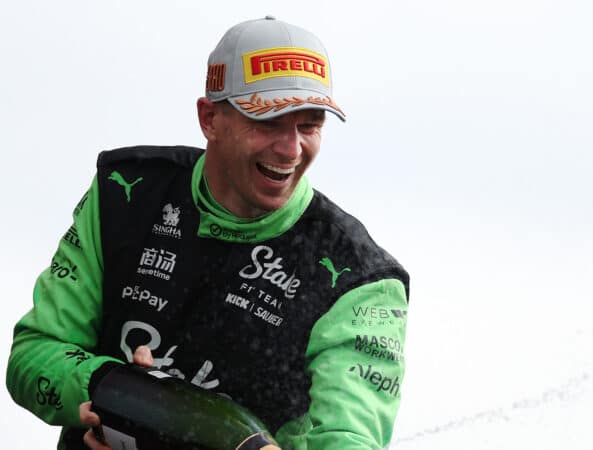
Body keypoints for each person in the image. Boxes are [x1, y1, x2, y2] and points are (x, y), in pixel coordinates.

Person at [6, 16, 410, 450]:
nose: (291, 149)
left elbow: (350, 439)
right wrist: (110, 386)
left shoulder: (360, 278)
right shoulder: (124, 194)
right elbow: (32, 355)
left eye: (309, 125)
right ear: (210, 118)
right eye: (269, 122)